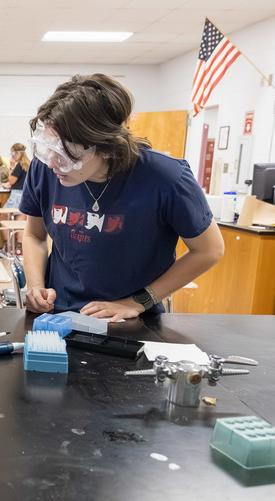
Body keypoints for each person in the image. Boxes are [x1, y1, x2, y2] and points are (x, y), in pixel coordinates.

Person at [19, 73, 224, 321]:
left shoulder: (166, 178)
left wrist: (138, 302)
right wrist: (35, 286)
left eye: (66, 153)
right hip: (58, 314)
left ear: (105, 145)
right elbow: (34, 235)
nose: (53, 162)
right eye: (49, 147)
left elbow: (209, 250)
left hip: (131, 321)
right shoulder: (47, 168)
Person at [2, 142, 30, 210]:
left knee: (3, 215)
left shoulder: (20, 165)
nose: (11, 156)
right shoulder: (28, 163)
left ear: (16, 153)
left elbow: (11, 181)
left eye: (12, 153)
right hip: (25, 194)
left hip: (17, 195)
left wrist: (12, 167)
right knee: (20, 217)